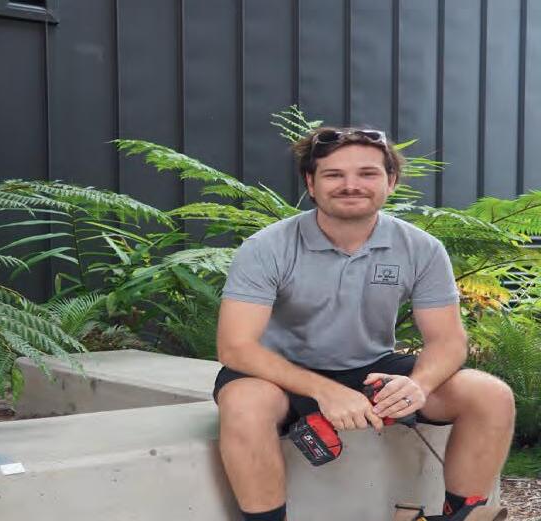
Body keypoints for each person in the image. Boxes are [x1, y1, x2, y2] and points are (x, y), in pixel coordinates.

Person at [213, 128, 515, 521]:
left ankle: (461, 515)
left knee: (490, 394)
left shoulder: (421, 248)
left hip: (371, 369)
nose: (351, 185)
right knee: (244, 403)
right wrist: (325, 390)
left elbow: (448, 341)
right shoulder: (266, 248)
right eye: (334, 174)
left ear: (391, 181)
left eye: (367, 173)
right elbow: (236, 347)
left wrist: (418, 385)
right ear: (311, 183)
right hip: (281, 376)